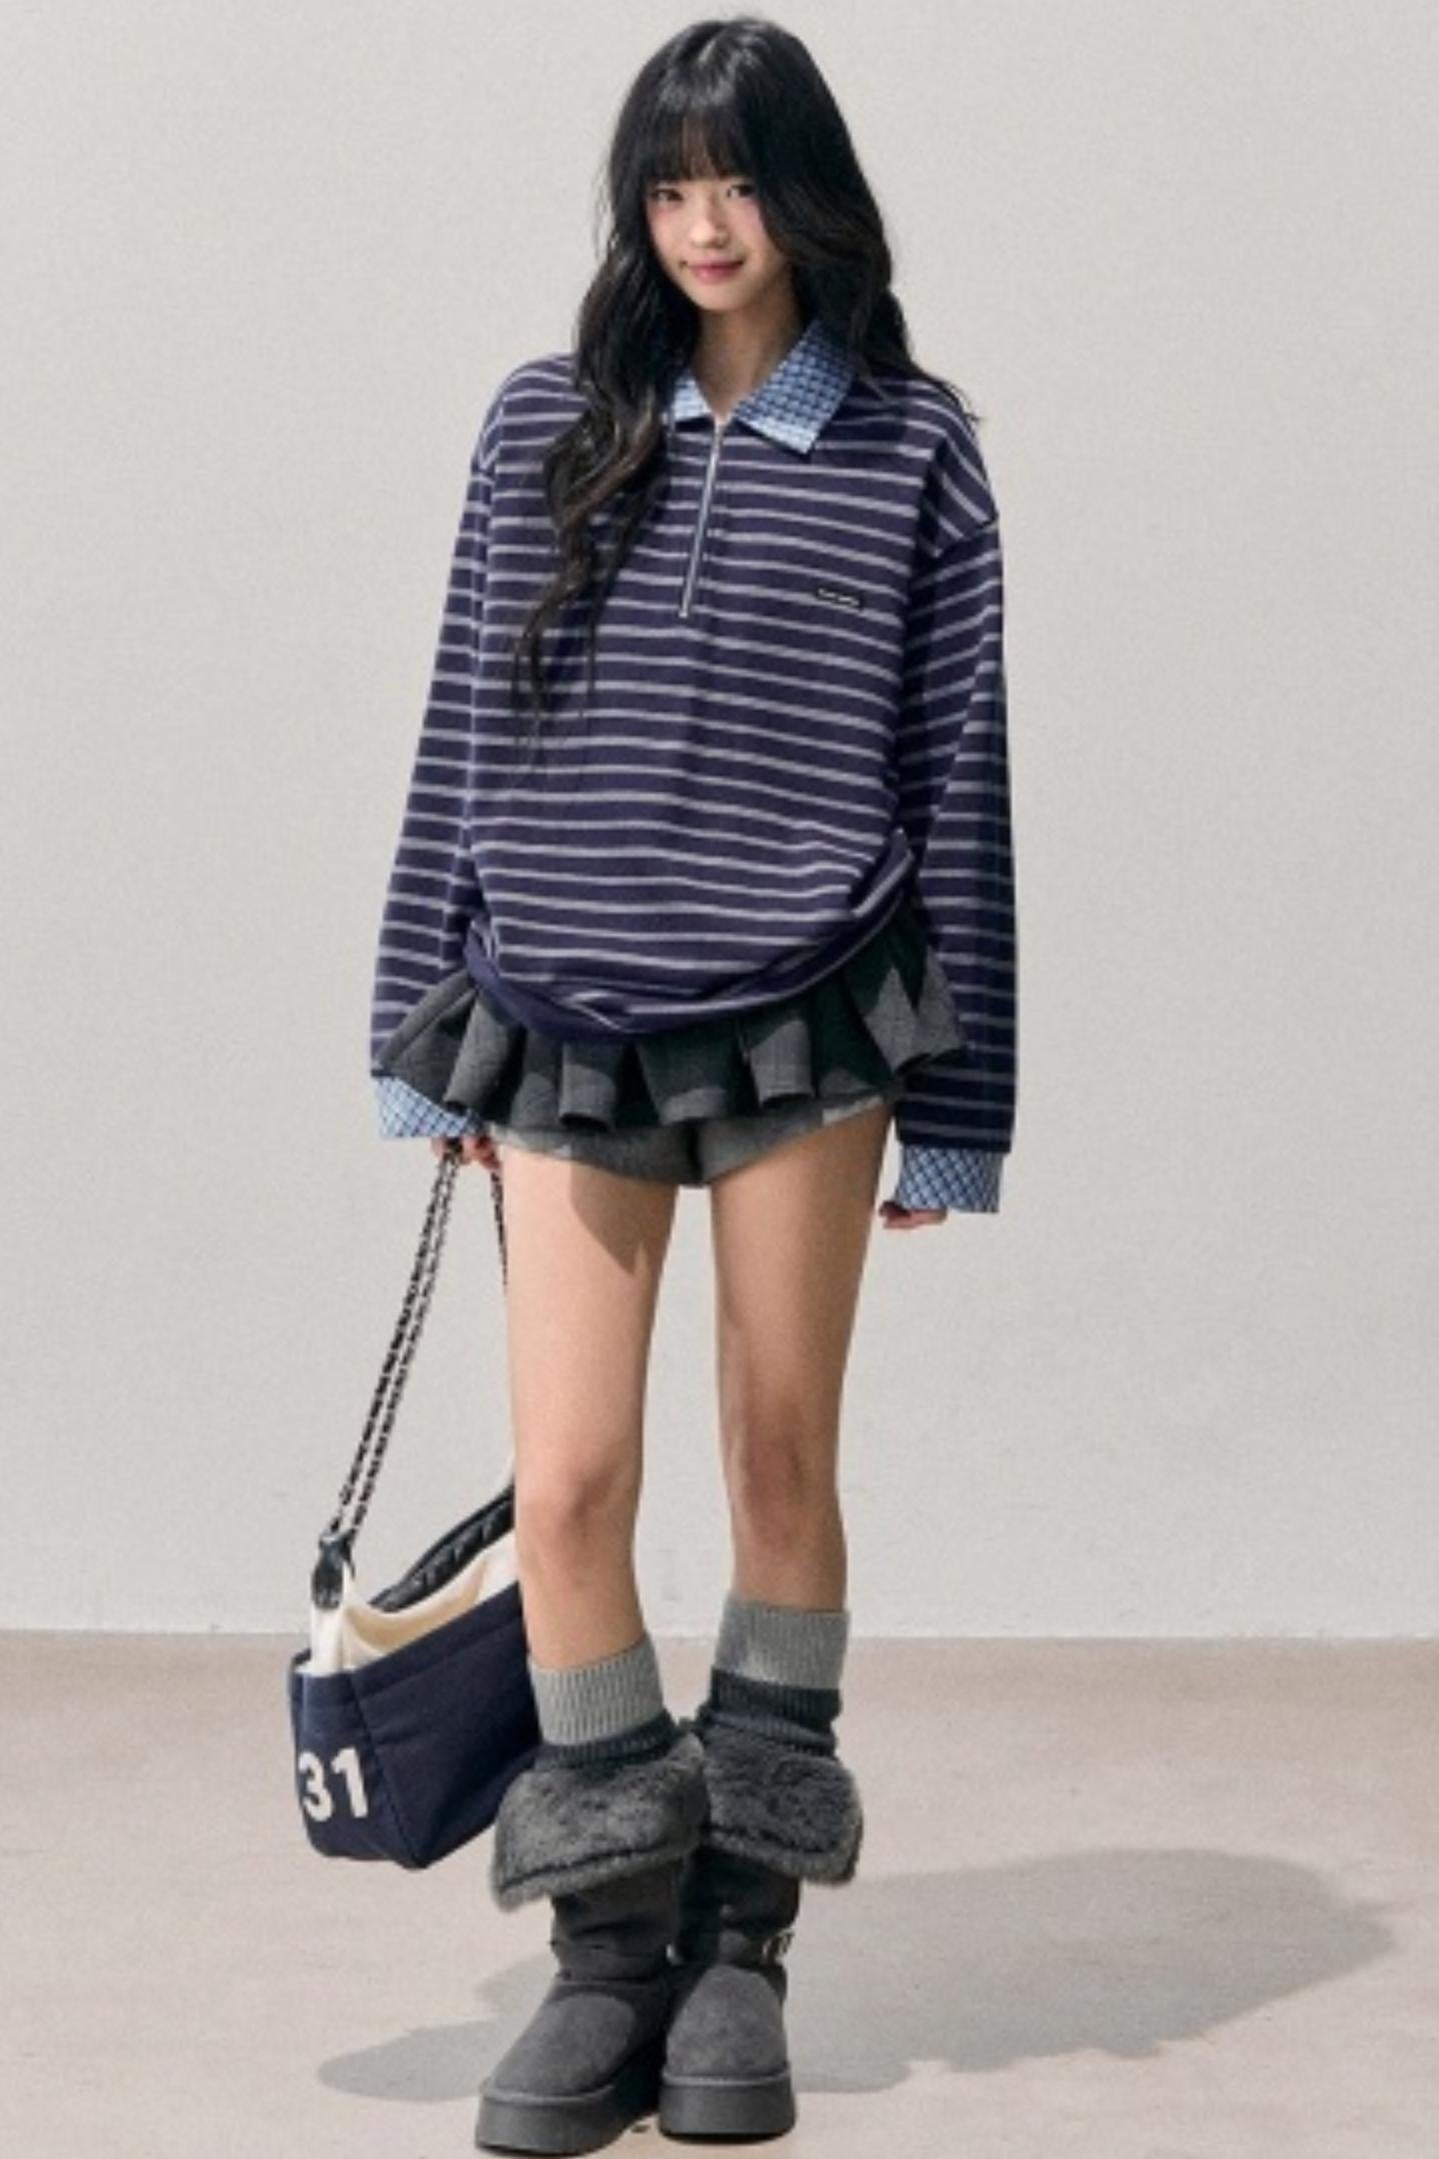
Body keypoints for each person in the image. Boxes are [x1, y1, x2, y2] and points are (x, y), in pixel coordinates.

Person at [366, 16, 1017, 2152]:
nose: (705, 225)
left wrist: (963, 1100)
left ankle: (745, 1939)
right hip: (560, 1007)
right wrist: (419, 1016)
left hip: (818, 1005)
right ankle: (607, 1944)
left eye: (738, 182)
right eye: (669, 187)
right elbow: (463, 728)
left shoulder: (913, 448)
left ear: (806, 195)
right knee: (566, 1484)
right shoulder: (546, 423)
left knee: (775, 1456)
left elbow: (959, 779)